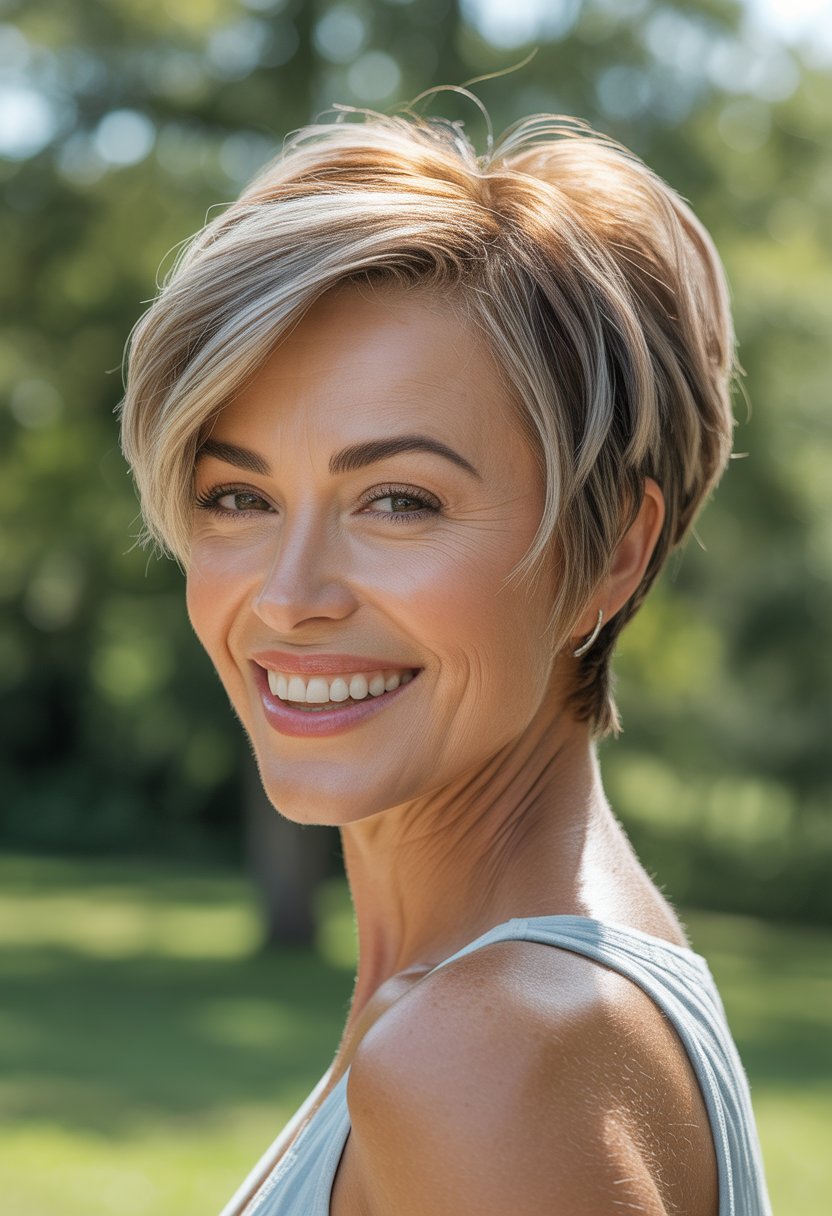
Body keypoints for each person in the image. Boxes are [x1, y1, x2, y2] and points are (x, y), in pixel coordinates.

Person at [119, 106, 772, 1216]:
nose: (288, 596)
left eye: (398, 501)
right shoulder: (512, 1009)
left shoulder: (489, 1054)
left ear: (614, 553)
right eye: (239, 497)